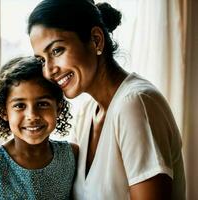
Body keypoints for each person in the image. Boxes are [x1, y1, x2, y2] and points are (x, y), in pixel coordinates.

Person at [27, 0, 186, 199]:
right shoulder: (87, 113)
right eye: (42, 60)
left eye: (57, 51)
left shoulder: (135, 103)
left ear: (96, 40)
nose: (49, 70)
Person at [0, 56, 78, 200]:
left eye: (43, 104)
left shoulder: (71, 156)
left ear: (59, 107)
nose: (32, 115)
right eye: (19, 105)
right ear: (4, 112)